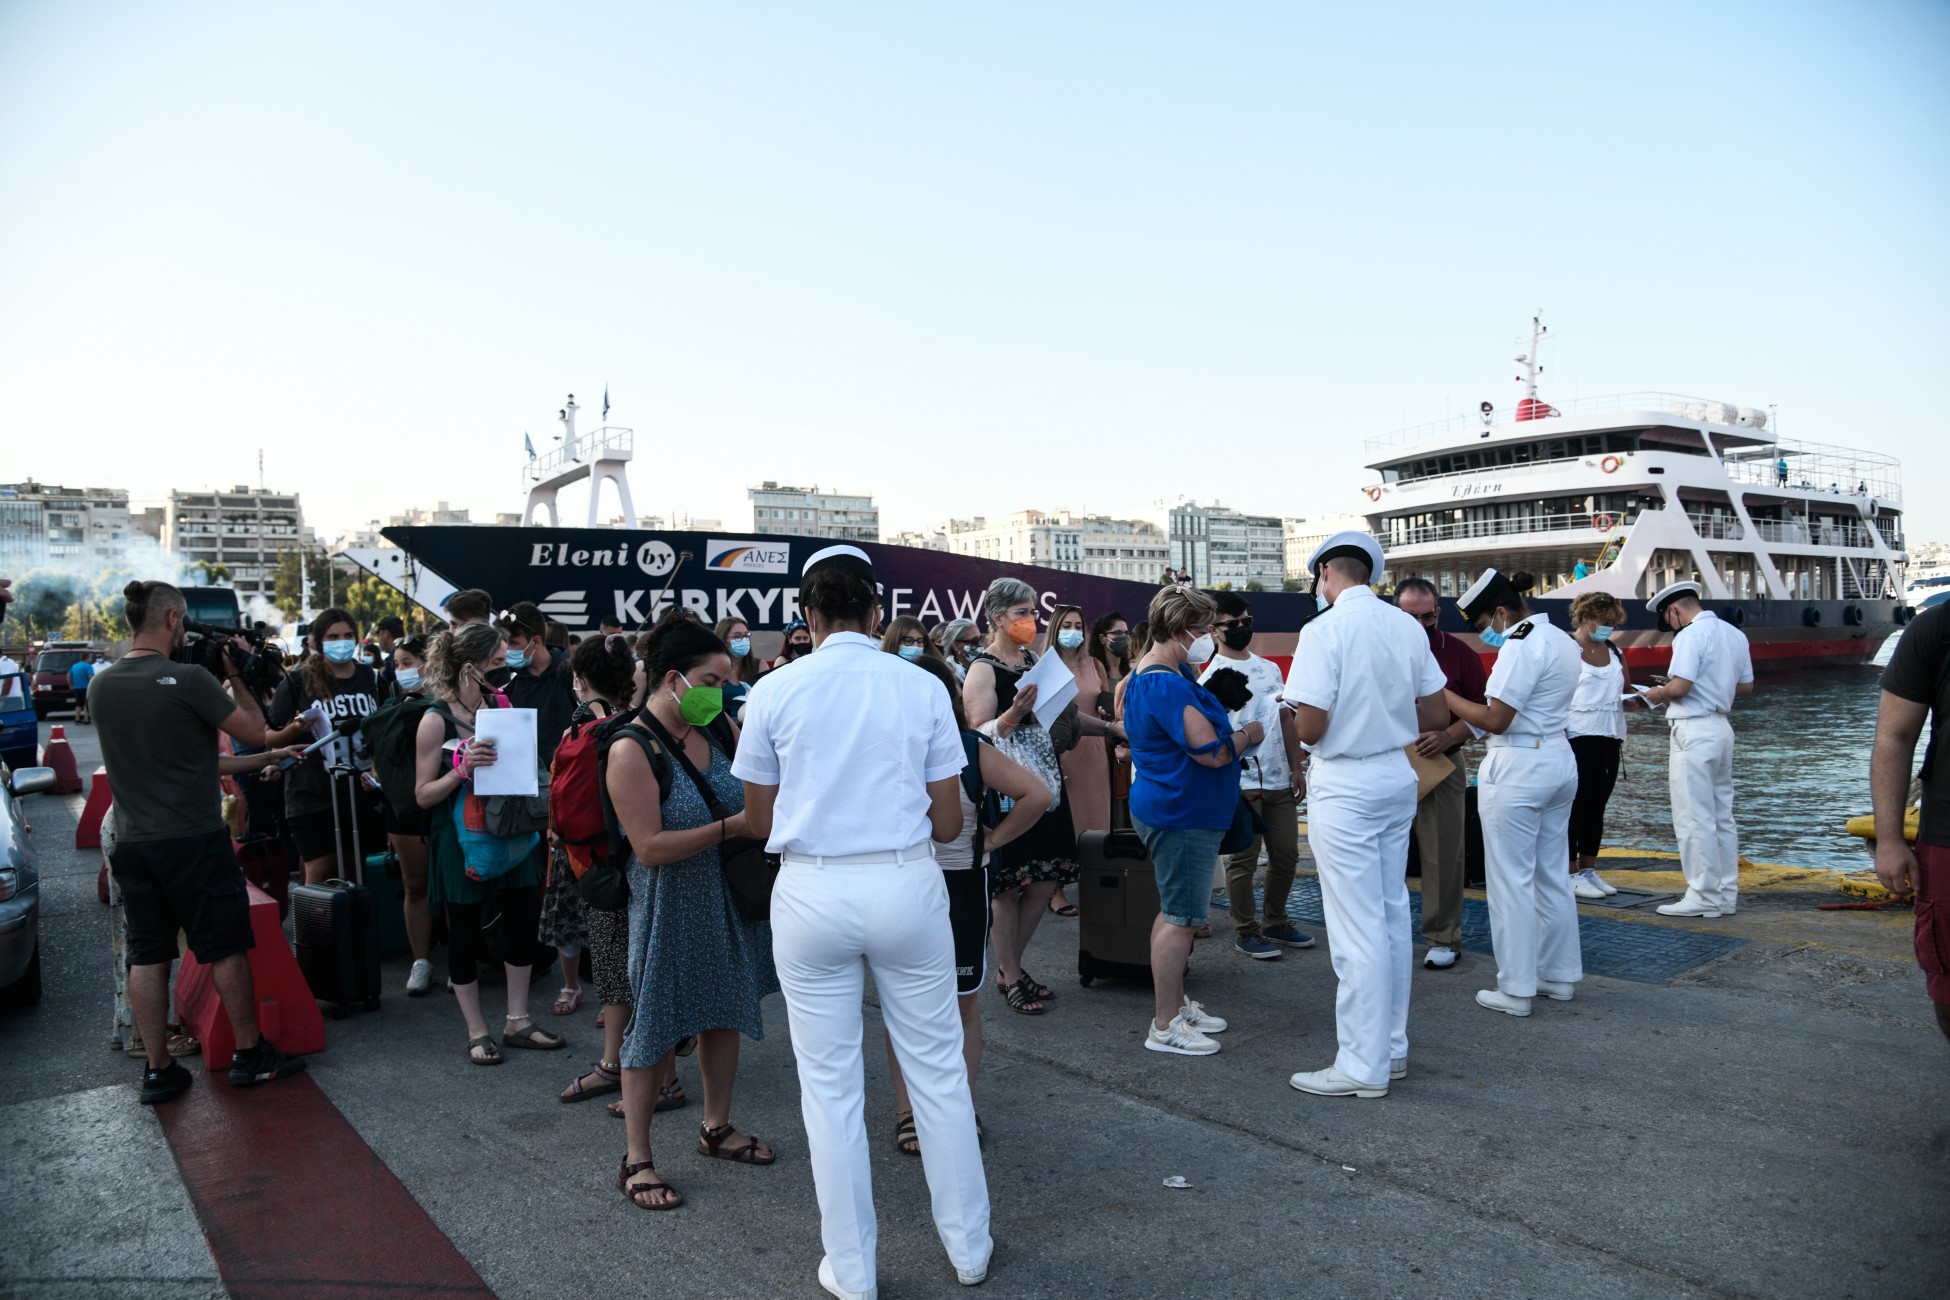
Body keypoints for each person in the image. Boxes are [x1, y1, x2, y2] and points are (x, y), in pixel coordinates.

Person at [732, 544, 989, 1296]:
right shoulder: (917, 686)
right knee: (938, 1072)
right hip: (905, 880)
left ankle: (853, 1270)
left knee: (830, 1088)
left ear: (806, 618)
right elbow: (948, 822)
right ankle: (968, 1248)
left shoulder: (775, 691)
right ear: (876, 614)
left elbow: (756, 818)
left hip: (811, 891)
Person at [88, 580, 311, 1104]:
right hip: (193, 837)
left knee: (148, 954)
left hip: (136, 840)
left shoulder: (103, 685)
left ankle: (159, 1071)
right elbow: (257, 728)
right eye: (183, 621)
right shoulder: (188, 679)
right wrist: (233, 670)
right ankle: (250, 1054)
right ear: (172, 619)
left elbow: (189, 761)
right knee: (224, 946)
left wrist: (262, 763)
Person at [608, 612, 780, 1210]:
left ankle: (716, 1126)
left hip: (725, 898)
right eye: (713, 678)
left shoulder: (723, 729)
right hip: (668, 906)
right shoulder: (632, 748)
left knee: (724, 1010)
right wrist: (734, 826)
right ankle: (637, 1158)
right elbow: (649, 849)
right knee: (653, 1025)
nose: (723, 690)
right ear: (673, 678)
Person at [1282, 533, 1449, 1099]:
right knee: (1390, 912)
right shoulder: (1405, 626)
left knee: (1355, 928)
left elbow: (1309, 728)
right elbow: (1434, 709)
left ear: (1326, 572)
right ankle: (1391, 1049)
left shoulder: (1321, 630)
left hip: (1347, 782)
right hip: (1396, 775)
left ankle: (1361, 1065)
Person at [882, 655, 1051, 1156]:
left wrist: (993, 840)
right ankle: (909, 1111)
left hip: (957, 884)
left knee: (960, 1002)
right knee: (906, 1005)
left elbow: (1035, 795)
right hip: (905, 884)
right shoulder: (885, 746)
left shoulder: (967, 746)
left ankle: (955, 1108)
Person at [413, 622, 564, 1063]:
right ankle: (477, 1030)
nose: (504, 670)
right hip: (459, 838)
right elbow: (422, 796)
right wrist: (460, 769)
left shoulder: (502, 705)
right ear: (469, 667)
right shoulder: (433, 719)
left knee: (521, 921)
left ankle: (518, 1020)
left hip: (509, 827)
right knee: (463, 931)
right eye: (497, 663)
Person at [1443, 569, 1584, 1017]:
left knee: (1510, 882)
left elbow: (1494, 719)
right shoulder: (1562, 639)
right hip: (1559, 757)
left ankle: (1516, 989)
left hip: (1520, 764)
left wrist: (1440, 692)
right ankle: (1558, 976)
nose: (1486, 635)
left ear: (1501, 612)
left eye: (1485, 624)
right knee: (1551, 874)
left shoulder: (1521, 645)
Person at [1122, 585, 1247, 1054]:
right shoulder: (1166, 681)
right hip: (1183, 814)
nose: (1209, 636)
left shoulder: (1152, 673)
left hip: (1170, 807)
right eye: (1204, 628)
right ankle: (1165, 1025)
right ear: (1179, 630)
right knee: (1181, 919)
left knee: (1173, 911)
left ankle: (1173, 1006)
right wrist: (1248, 734)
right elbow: (1210, 753)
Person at [963, 579, 1087, 1015]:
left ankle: (1009, 966)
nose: (1031, 621)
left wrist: (1108, 728)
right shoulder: (983, 668)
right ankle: (1011, 973)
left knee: (1047, 878)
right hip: (1009, 789)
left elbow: (1064, 714)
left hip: (1047, 783)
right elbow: (977, 733)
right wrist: (1012, 715)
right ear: (997, 618)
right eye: (1021, 613)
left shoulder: (1035, 660)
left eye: (1032, 612)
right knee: (1008, 884)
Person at [1199, 591, 1312, 959]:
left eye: (1246, 621)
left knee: (1287, 855)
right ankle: (1246, 930)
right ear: (1213, 630)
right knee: (1244, 860)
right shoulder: (1209, 679)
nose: (1241, 629)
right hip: (1242, 782)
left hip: (1279, 777)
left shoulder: (1270, 668)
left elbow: (1285, 717)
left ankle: (1276, 921)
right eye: (1232, 624)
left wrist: (1297, 766)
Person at [1642, 582, 1754, 918]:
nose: (1670, 625)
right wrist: (1713, 686)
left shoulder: (1689, 635)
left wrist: (1656, 693)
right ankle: (1725, 895)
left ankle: (1702, 895)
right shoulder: (1735, 634)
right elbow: (1746, 687)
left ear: (1674, 611)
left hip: (1693, 729)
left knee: (1693, 816)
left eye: (1668, 618)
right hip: (1721, 726)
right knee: (1721, 815)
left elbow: (1680, 686)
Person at [1395, 577, 1488, 971]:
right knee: (1382, 853)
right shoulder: (1381, 647)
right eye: (1410, 616)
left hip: (1442, 761)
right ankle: (1385, 934)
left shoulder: (1461, 654)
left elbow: (1487, 714)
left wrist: (1450, 733)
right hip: (1387, 758)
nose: (1419, 624)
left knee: (1443, 854)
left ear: (1439, 612)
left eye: (1427, 615)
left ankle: (1443, 936)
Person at [499, 602, 586, 1018]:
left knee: (591, 884)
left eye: (514, 643)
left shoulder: (572, 675)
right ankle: (558, 970)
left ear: (535, 640)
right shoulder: (509, 685)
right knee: (550, 890)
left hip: (578, 793)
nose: (508, 651)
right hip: (531, 800)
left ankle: (602, 975)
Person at [1870, 602, 1950, 1042]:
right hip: (1946, 838)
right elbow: (1894, 736)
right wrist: (1890, 839)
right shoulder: (1937, 628)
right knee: (1947, 985)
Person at [267, 608, 384, 886]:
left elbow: (383, 733)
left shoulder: (373, 679)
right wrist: (295, 729)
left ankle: (355, 930)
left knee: (359, 872)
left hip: (361, 795)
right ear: (318, 642)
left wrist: (378, 770)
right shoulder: (298, 682)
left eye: (347, 635)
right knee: (321, 872)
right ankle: (314, 929)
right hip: (313, 794)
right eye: (333, 636)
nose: (341, 642)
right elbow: (268, 736)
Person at [1046, 604, 1119, 919]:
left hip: (1094, 751)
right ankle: (1056, 890)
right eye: (1066, 625)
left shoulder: (1095, 665)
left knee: (1096, 817)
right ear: (1055, 629)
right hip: (1062, 752)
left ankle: (1094, 882)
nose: (1073, 631)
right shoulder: (1045, 666)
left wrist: (1108, 715)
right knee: (1064, 819)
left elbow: (1104, 701)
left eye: (1078, 624)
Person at [1566, 592, 1637, 899]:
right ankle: (1568, 873)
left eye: (1613, 623)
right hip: (1577, 736)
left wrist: (1644, 699)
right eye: (1605, 623)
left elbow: (1627, 690)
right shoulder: (1568, 650)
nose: (1610, 628)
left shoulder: (1614, 651)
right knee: (1574, 807)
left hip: (1610, 735)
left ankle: (1588, 869)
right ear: (1586, 618)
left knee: (1597, 807)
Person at [385, 635, 437, 994]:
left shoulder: (447, 706)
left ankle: (462, 958)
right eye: (397, 664)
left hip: (442, 804)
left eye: (407, 662)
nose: (401, 670)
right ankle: (421, 961)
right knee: (414, 886)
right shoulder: (390, 706)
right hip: (403, 810)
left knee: (452, 888)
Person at [714, 615, 761, 720]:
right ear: (723, 640)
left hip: (751, 724)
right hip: (723, 726)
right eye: (737, 636)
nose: (743, 640)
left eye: (746, 635)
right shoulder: (713, 668)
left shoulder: (759, 665)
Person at [932, 618, 982, 683]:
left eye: (981, 638)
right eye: (975, 641)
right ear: (956, 646)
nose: (980, 644)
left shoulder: (981, 668)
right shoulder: (947, 675)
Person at [69, 651, 96, 722]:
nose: (91, 659)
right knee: (85, 704)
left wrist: (71, 685)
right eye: (90, 657)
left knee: (78, 704)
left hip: (77, 688)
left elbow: (68, 675)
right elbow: (90, 677)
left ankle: (77, 719)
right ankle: (86, 719)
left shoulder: (75, 666)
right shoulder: (88, 666)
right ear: (87, 658)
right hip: (86, 688)